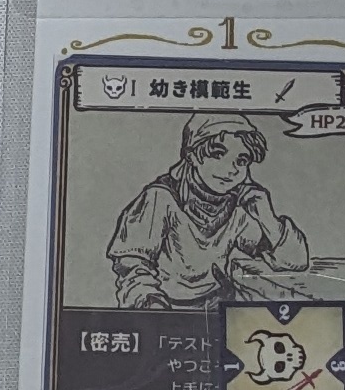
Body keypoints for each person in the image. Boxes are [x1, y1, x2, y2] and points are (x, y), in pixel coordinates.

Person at [107, 117, 327, 307]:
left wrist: (267, 218)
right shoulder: (161, 197)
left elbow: (295, 263)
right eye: (218, 154)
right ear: (192, 156)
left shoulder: (240, 204)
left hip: (220, 306)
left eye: (241, 160)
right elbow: (132, 264)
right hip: (166, 306)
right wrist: (151, 304)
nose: (231, 169)